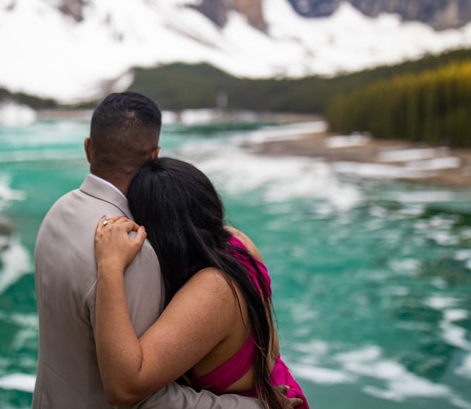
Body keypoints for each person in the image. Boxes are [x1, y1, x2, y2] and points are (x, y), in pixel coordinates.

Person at [33, 92, 300, 408]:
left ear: (89, 147)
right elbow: (139, 394)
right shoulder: (144, 250)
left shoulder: (56, 214)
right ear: (153, 155)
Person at [93, 157, 309, 408]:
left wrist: (109, 267)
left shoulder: (215, 290)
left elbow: (125, 387)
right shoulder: (237, 241)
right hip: (277, 387)